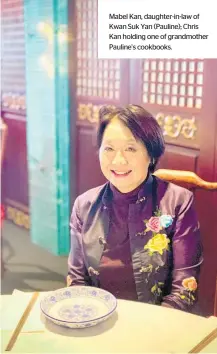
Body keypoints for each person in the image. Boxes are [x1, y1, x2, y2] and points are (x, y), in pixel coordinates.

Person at [67, 104, 203, 312]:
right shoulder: (84, 205)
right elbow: (76, 280)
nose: (118, 160)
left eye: (131, 148)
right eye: (109, 148)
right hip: (97, 320)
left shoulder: (178, 202)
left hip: (157, 326)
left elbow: (184, 287)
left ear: (151, 155)